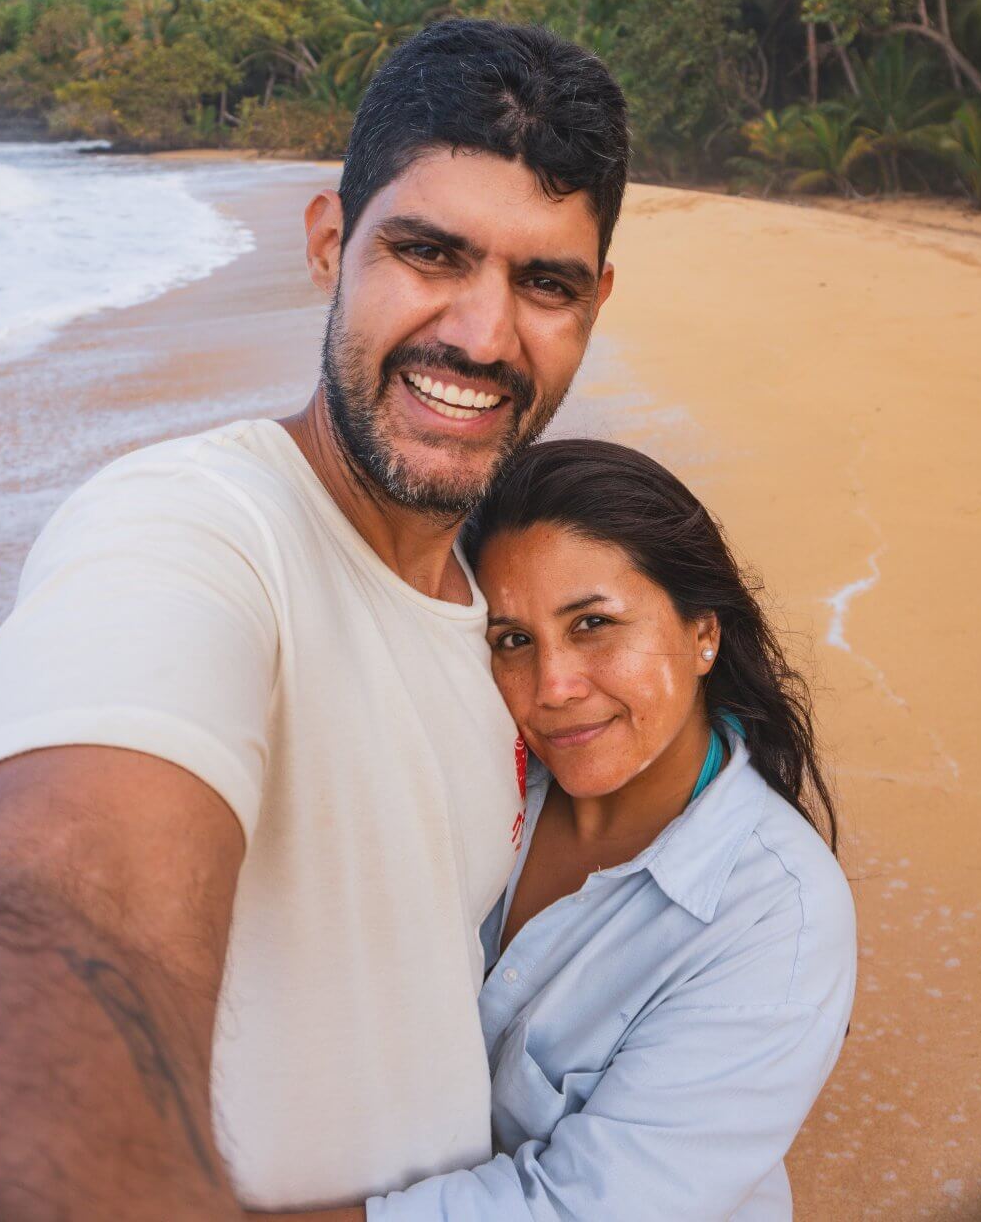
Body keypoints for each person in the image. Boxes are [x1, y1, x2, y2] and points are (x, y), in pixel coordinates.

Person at [0, 21, 628, 1220]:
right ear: (328, 244)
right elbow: (49, 901)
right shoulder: (191, 528)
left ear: (596, 303)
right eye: (430, 253)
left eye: (545, 282)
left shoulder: (501, 617)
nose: (481, 333)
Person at [289, 440, 856, 1222]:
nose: (552, 687)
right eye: (513, 640)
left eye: (592, 623)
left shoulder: (776, 916)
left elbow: (580, 1208)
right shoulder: (470, 780)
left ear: (703, 633)